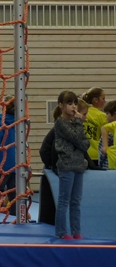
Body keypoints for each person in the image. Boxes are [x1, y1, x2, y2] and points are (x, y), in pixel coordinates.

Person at [53, 90, 90, 240]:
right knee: (64, 200)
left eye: (75, 103)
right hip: (67, 165)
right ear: (61, 105)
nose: (73, 106)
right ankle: (61, 232)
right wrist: (79, 122)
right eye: (69, 103)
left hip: (79, 165)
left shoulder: (75, 123)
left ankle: (76, 231)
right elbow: (76, 138)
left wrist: (78, 126)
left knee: (76, 201)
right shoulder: (60, 123)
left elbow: (86, 144)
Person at [0, 97, 16, 214]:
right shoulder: (18, 123)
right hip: (15, 163)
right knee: (13, 192)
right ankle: (15, 215)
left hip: (1, 163)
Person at [81, 87, 107, 166]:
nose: (105, 101)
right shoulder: (102, 116)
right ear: (96, 100)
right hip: (96, 154)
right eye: (103, 98)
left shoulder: (80, 113)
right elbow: (104, 136)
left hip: (82, 153)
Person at [98, 99, 116, 169]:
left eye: (107, 113)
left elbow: (102, 151)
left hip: (108, 164)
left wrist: (100, 164)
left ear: (114, 114)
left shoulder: (109, 132)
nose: (106, 116)